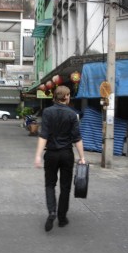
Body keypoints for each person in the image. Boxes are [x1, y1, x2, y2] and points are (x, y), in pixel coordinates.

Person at [34, 85, 85, 232]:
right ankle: (62, 218)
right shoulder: (72, 114)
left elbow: (43, 135)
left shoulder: (47, 112)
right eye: (69, 95)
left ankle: (52, 211)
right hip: (66, 154)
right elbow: (77, 139)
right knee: (65, 187)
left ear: (55, 97)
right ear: (67, 97)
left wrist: (38, 155)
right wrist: (82, 157)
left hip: (51, 154)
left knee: (50, 185)